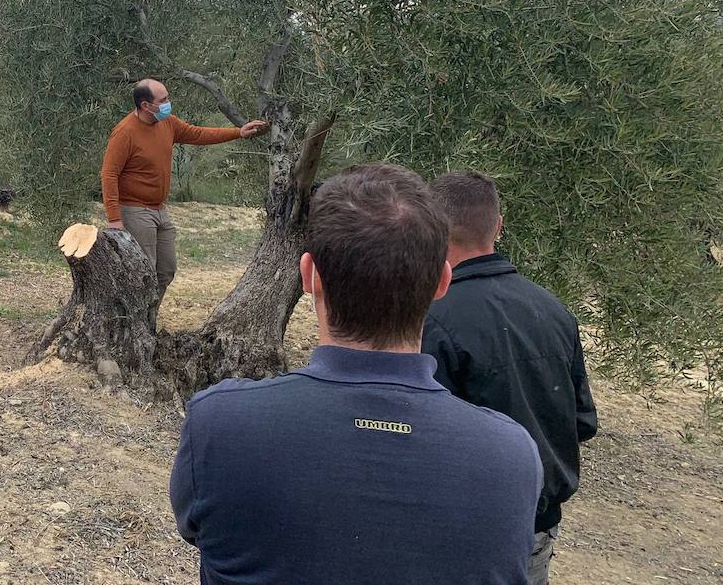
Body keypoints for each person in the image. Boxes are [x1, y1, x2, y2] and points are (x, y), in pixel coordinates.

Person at [171, 163, 543, 585]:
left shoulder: (219, 425)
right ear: (443, 280)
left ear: (309, 276)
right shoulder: (512, 457)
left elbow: (198, 530)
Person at [423, 171, 599, 585]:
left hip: (465, 531)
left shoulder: (432, 320)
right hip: (537, 524)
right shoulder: (554, 311)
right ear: (498, 225)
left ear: (429, 227)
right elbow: (583, 422)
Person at [100, 78, 267, 297]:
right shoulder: (124, 133)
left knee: (166, 271)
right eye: (164, 99)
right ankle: (134, 325)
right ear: (145, 106)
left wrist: (238, 132)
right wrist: (114, 218)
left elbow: (197, 134)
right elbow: (109, 174)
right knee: (143, 272)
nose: (169, 102)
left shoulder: (168, 122)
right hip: (134, 210)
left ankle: (148, 323)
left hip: (159, 209)